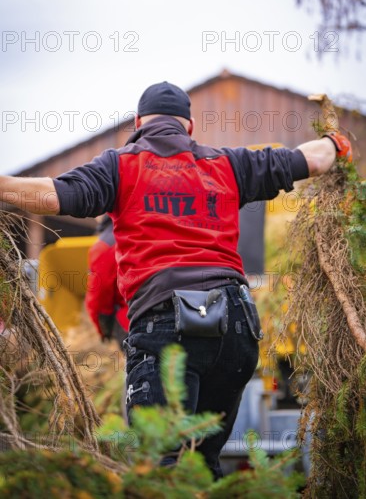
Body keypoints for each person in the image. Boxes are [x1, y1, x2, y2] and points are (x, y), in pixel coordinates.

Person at [0, 81, 352, 478]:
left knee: (159, 464)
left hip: (165, 326)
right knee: (203, 466)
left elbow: (50, 196)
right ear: (190, 126)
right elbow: (314, 160)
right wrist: (337, 142)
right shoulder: (229, 163)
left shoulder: (121, 165)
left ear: (137, 122)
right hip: (236, 327)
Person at [85, 214, 129, 348]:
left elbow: (100, 292)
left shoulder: (104, 246)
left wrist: (104, 328)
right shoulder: (142, 231)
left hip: (130, 322)